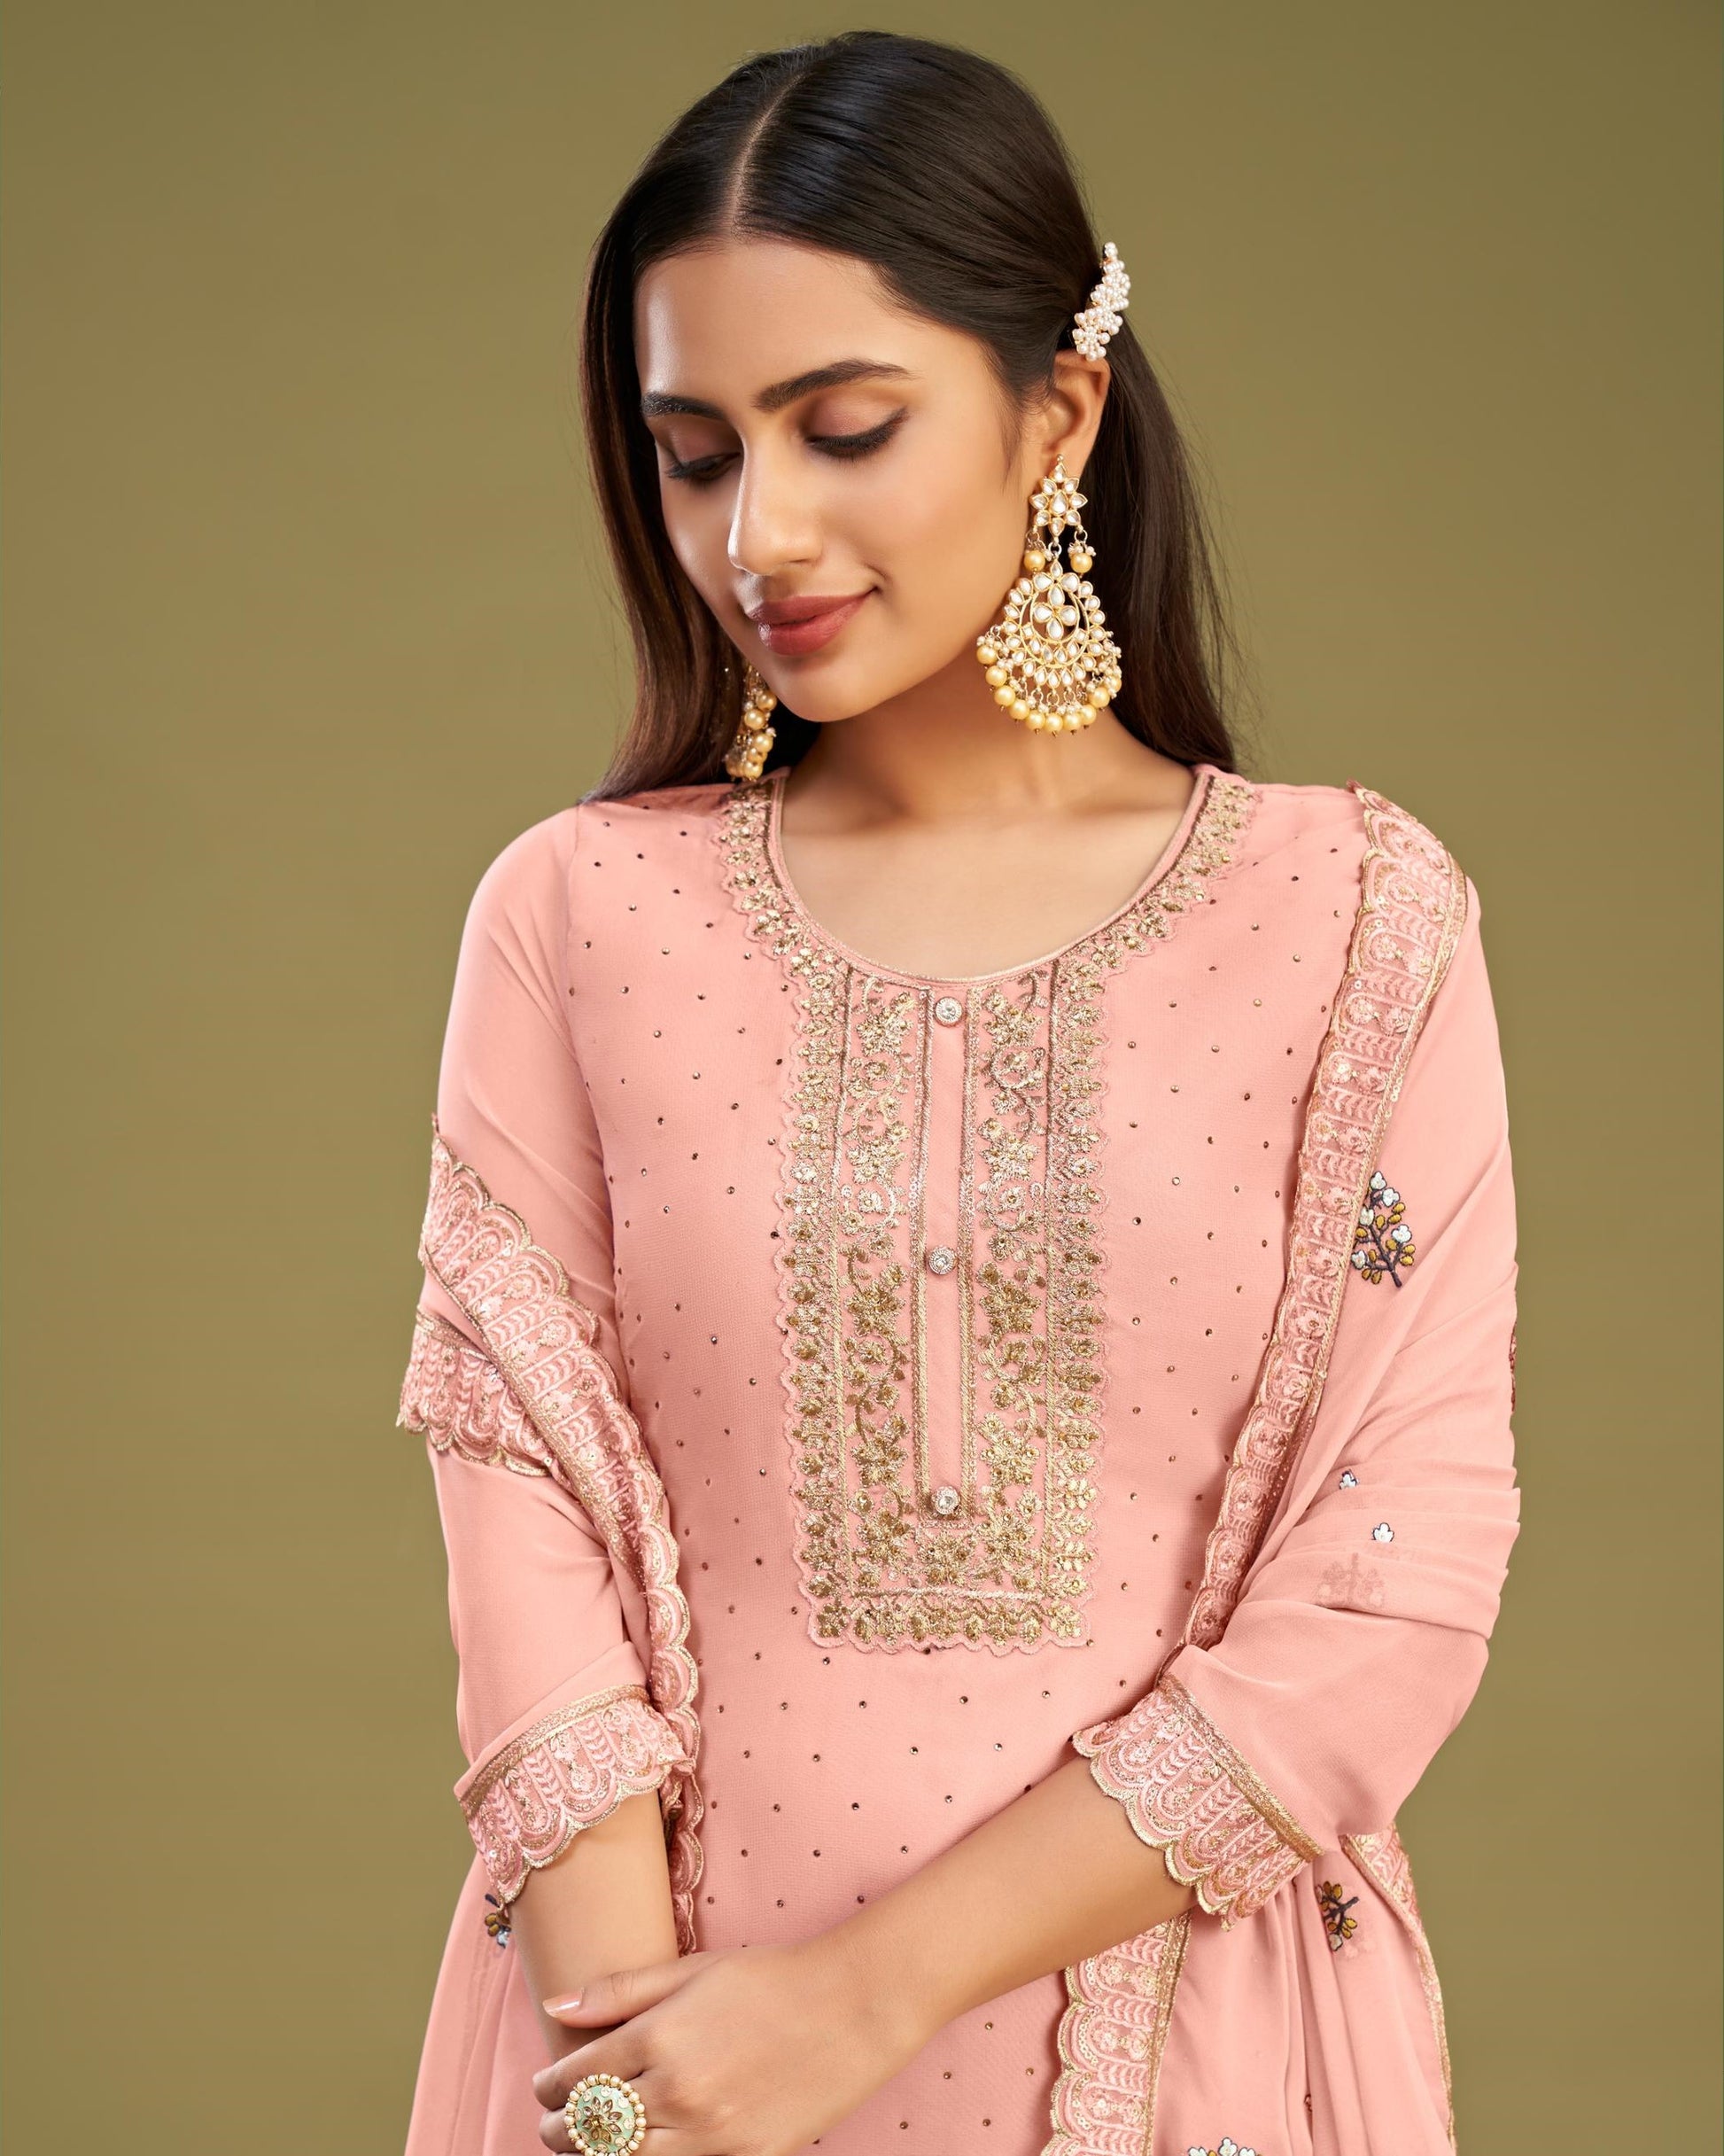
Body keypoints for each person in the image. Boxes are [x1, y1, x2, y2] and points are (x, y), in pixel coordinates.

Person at [394, 31, 1520, 2156]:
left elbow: (1394, 1570)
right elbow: (517, 1502)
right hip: (644, 2058)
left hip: (1184, 2049)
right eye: (695, 452)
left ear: (1056, 411)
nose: (763, 530)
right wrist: (648, 2074)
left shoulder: (1352, 917)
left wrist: (863, 1996)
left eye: (842, 429)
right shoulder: (577, 918)